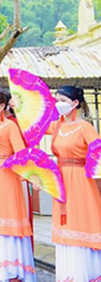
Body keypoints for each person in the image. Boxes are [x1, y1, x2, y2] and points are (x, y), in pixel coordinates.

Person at [0, 90, 35, 282]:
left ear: (2, 106)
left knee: (7, 214)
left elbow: (21, 153)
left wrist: (30, 176)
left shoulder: (10, 126)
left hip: (6, 172)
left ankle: (11, 268)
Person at [48, 86, 101, 282]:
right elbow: (32, 127)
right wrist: (16, 108)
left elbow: (98, 153)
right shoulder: (57, 126)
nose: (58, 104)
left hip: (80, 179)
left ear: (75, 103)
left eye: (62, 100)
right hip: (60, 179)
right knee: (64, 223)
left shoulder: (85, 127)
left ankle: (86, 274)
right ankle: (68, 275)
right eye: (57, 100)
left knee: (80, 221)